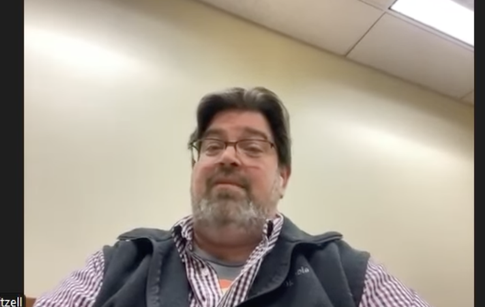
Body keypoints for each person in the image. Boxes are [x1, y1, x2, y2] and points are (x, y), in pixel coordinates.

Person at [34, 87, 432, 307]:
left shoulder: (349, 274)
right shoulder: (118, 263)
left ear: (283, 178)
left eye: (253, 147)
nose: (228, 157)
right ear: (195, 169)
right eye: (213, 146)